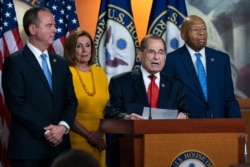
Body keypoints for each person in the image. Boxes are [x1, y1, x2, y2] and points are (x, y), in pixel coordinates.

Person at [1, 7, 77, 167]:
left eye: (54, 25)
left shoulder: (61, 63)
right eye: (49, 26)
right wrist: (48, 131)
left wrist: (62, 127)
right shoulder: (15, 62)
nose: (55, 30)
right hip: (28, 150)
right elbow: (17, 103)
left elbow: (70, 100)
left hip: (60, 149)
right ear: (33, 29)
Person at [104, 34, 190, 167]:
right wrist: (126, 117)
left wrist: (184, 116)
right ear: (139, 54)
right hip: (131, 152)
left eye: (161, 52)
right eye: (152, 52)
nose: (157, 57)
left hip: (168, 150)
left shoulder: (176, 85)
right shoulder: (120, 82)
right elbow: (110, 112)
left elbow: (188, 112)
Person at [163, 15, 241, 118]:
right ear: (183, 35)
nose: (202, 33)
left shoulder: (221, 59)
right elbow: (168, 99)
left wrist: (235, 127)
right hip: (187, 127)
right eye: (195, 29)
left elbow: (229, 98)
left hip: (219, 127)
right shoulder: (171, 60)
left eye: (204, 29)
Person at [64, 30, 109, 167]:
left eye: (88, 45)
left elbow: (108, 108)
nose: (84, 50)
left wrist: (99, 134)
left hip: (100, 137)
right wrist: (90, 136)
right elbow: (64, 109)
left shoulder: (100, 72)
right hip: (75, 136)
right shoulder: (65, 72)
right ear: (71, 49)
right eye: (79, 46)